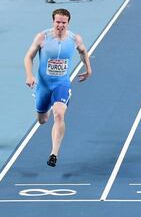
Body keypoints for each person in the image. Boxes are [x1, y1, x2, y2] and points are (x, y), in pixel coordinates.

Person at [23, 9, 92, 167]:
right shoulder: (42, 37)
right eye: (58, 22)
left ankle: (54, 154)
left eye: (64, 22)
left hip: (62, 84)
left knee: (59, 114)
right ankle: (45, 104)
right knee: (43, 120)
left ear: (68, 23)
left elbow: (83, 52)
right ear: (53, 22)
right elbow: (28, 56)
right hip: (44, 85)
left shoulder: (75, 39)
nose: (60, 25)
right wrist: (29, 75)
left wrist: (88, 68)